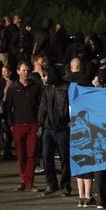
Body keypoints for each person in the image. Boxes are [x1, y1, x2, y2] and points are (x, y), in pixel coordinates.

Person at [4, 59, 43, 192]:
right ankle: (24, 180)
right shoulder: (12, 88)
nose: (25, 73)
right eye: (23, 70)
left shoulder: (36, 87)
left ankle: (29, 182)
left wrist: (39, 123)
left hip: (32, 125)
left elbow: (40, 106)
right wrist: (11, 125)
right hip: (18, 125)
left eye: (27, 70)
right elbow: (8, 108)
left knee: (31, 155)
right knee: (20, 155)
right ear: (18, 71)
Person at [37, 65, 72, 198]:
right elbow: (43, 107)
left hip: (63, 128)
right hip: (49, 128)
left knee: (65, 158)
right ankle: (51, 184)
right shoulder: (48, 89)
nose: (45, 78)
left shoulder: (67, 88)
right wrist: (40, 124)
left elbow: (71, 105)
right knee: (46, 156)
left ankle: (65, 185)